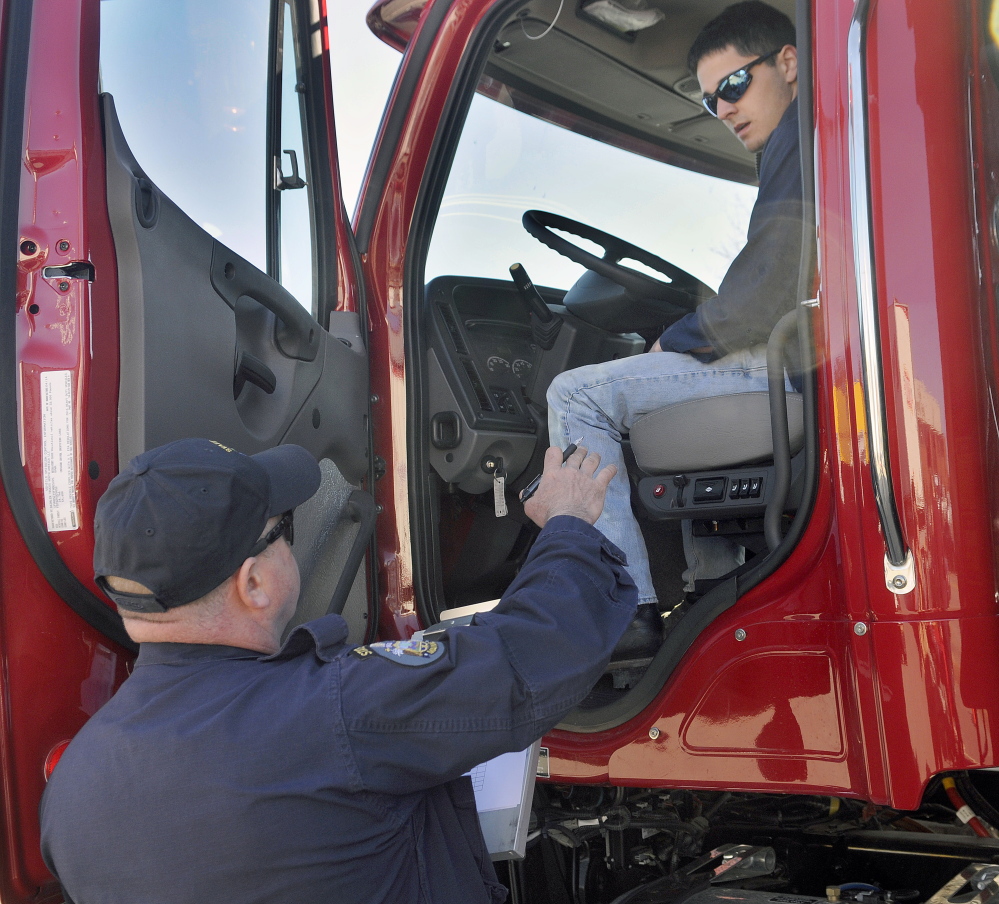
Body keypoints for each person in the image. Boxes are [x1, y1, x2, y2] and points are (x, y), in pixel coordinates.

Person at [39, 437, 636, 904]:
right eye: (285, 533)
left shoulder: (69, 793)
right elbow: (533, 655)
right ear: (253, 583)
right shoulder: (339, 711)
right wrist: (568, 525)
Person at [547, 0, 804, 668]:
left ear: (788, 62)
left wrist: (681, 336)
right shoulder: (811, 141)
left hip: (788, 365)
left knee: (576, 396)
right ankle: (708, 584)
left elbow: (769, 284)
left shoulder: (801, 140)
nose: (724, 109)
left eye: (735, 86)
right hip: (804, 359)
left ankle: (621, 608)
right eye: (712, 99)